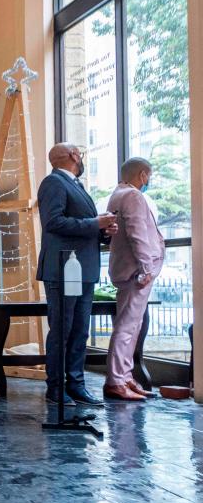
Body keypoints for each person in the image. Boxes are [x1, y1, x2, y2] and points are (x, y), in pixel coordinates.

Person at [36, 143, 117, 406]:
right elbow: (54, 222)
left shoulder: (77, 185)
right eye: (79, 153)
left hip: (82, 268)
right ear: (72, 156)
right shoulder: (53, 182)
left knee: (80, 330)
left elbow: (80, 225)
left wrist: (103, 231)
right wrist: (95, 223)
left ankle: (76, 384)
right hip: (63, 269)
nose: (81, 157)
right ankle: (56, 388)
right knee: (63, 329)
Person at [103, 157, 164, 401]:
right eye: (148, 176)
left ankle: (125, 376)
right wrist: (146, 267)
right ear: (142, 175)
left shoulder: (117, 194)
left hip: (127, 270)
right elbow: (138, 234)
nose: (148, 181)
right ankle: (116, 380)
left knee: (131, 325)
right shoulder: (133, 196)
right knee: (127, 327)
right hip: (135, 272)